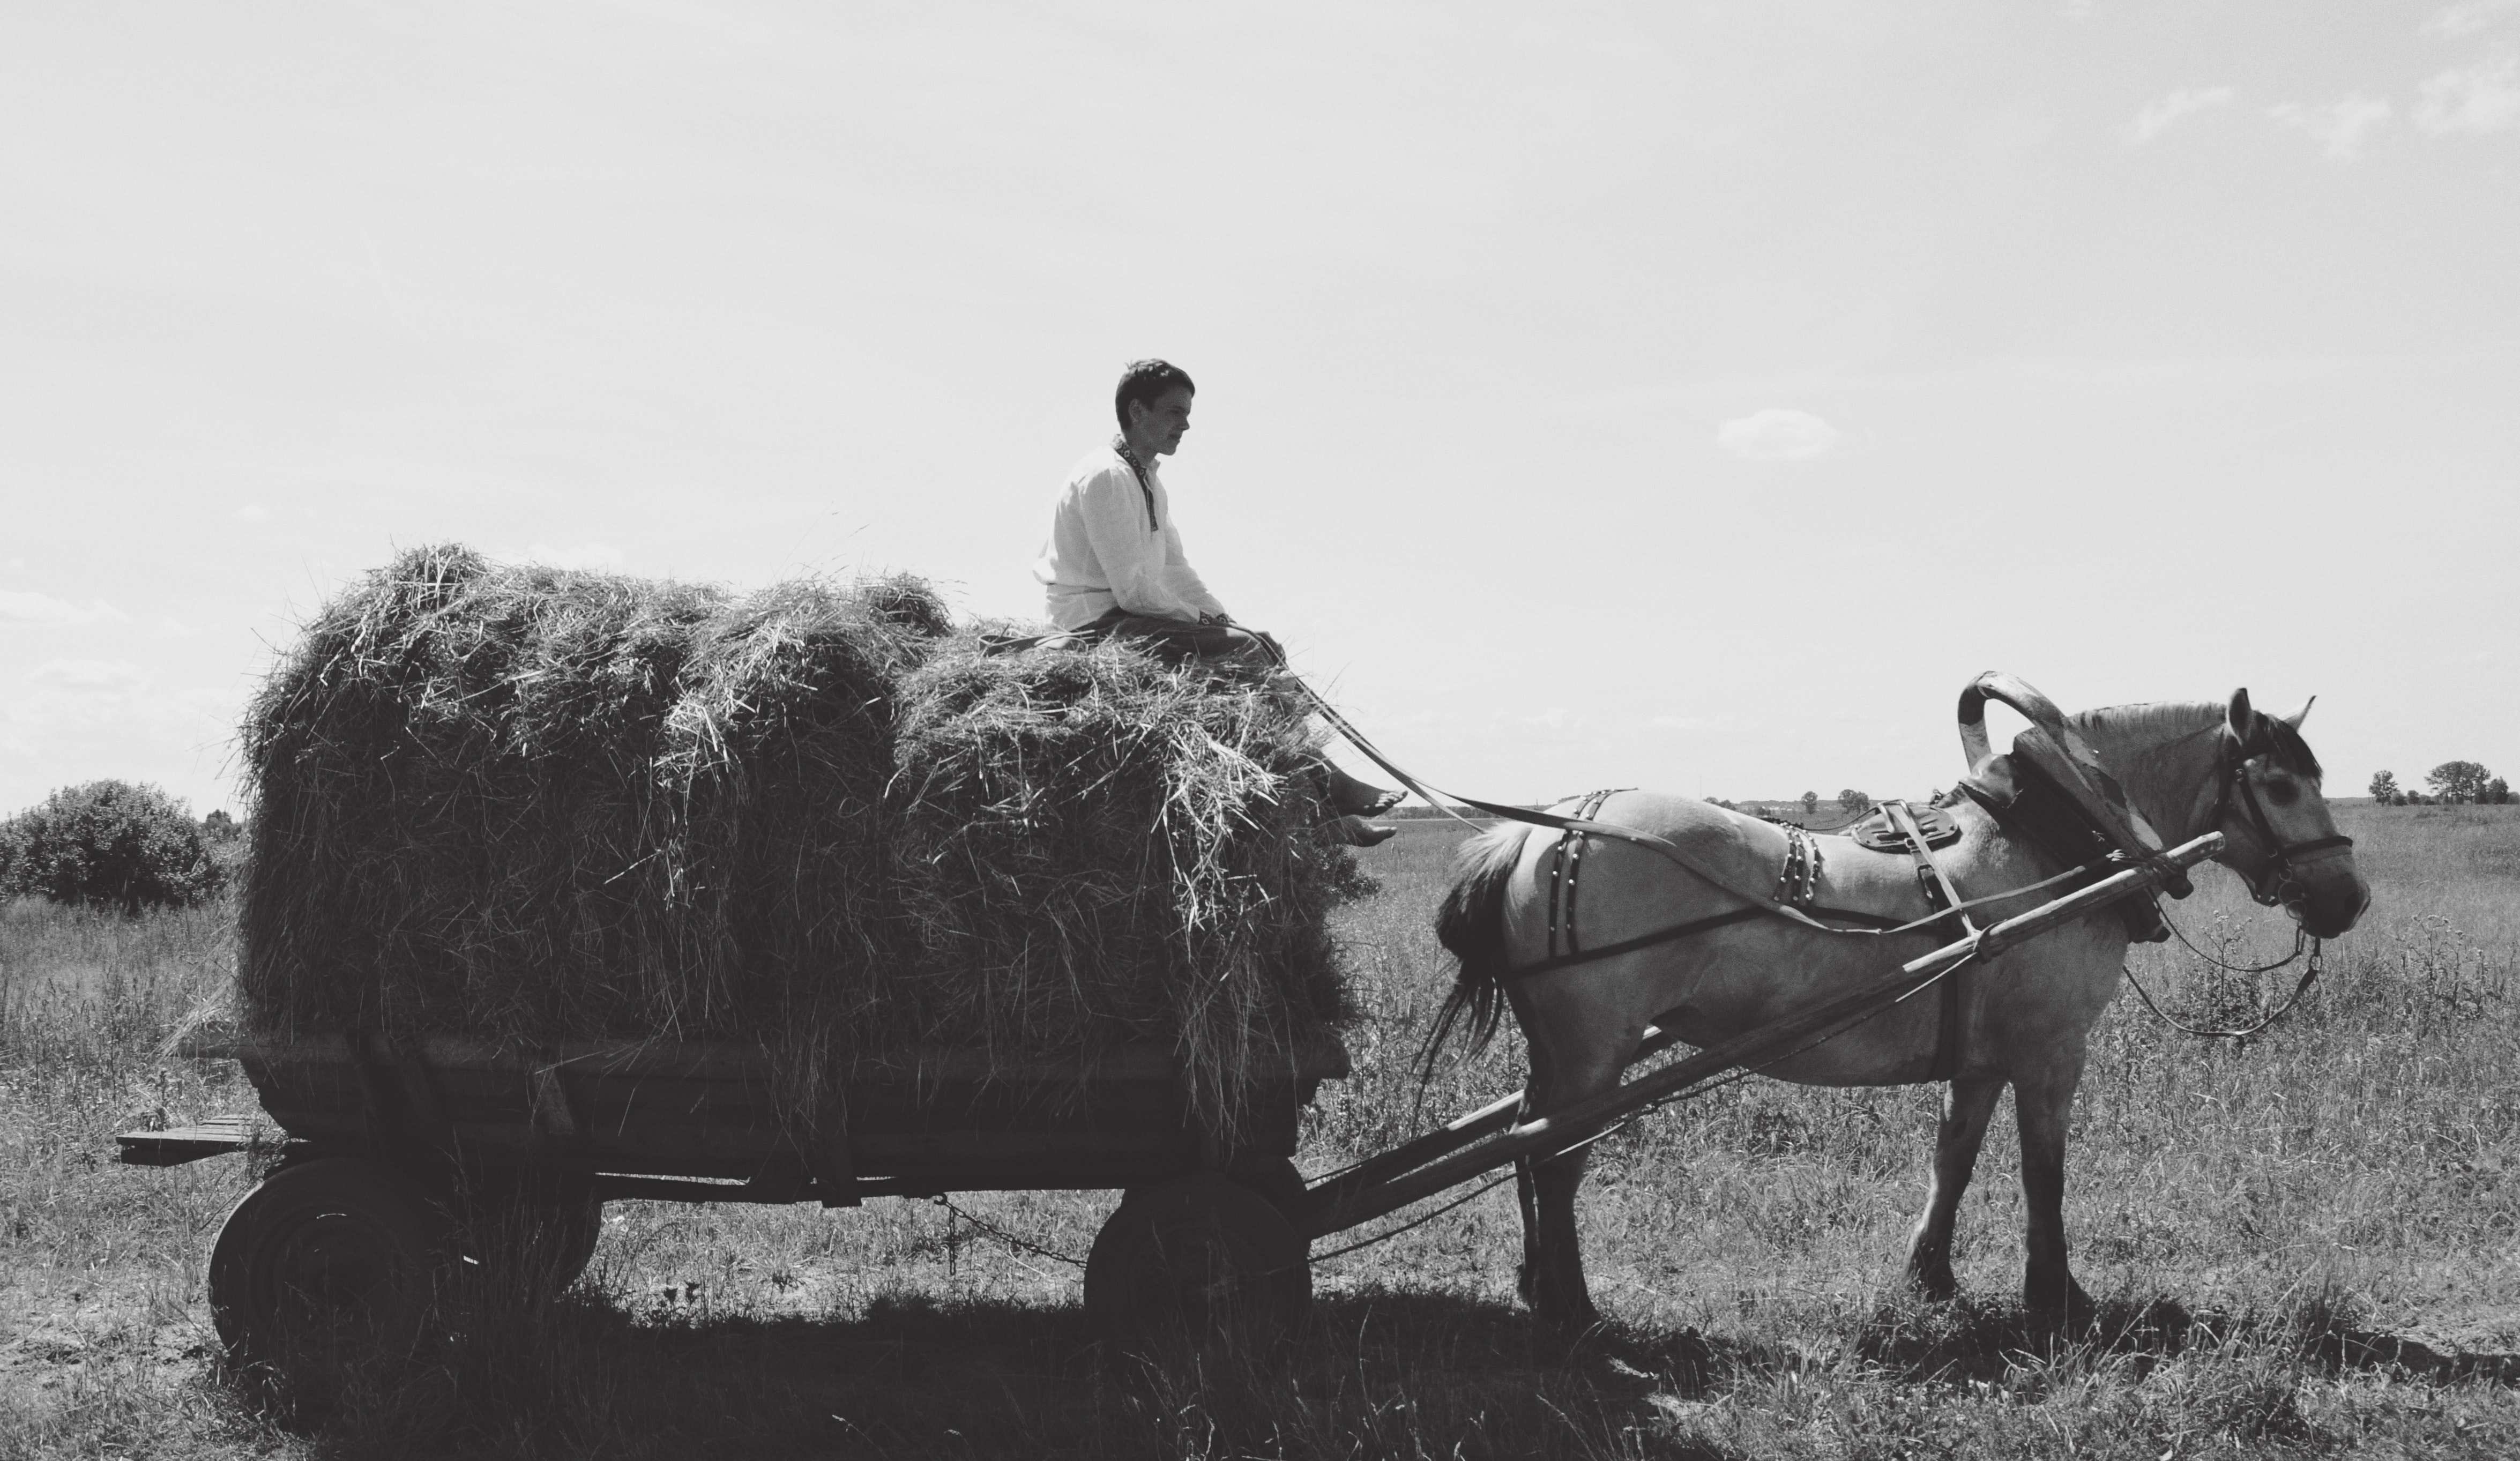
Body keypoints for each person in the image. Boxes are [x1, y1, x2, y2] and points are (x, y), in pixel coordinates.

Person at [1033, 359, 1401, 846]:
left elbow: (1176, 571)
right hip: (1094, 626)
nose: (1185, 424)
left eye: (1187, 412)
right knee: (1249, 651)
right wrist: (1219, 631)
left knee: (1259, 646)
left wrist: (1224, 621)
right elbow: (1134, 591)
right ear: (1137, 411)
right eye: (1174, 412)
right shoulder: (1105, 477)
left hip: (1127, 619)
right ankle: (1326, 783)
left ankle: (1322, 810)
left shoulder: (1148, 482)